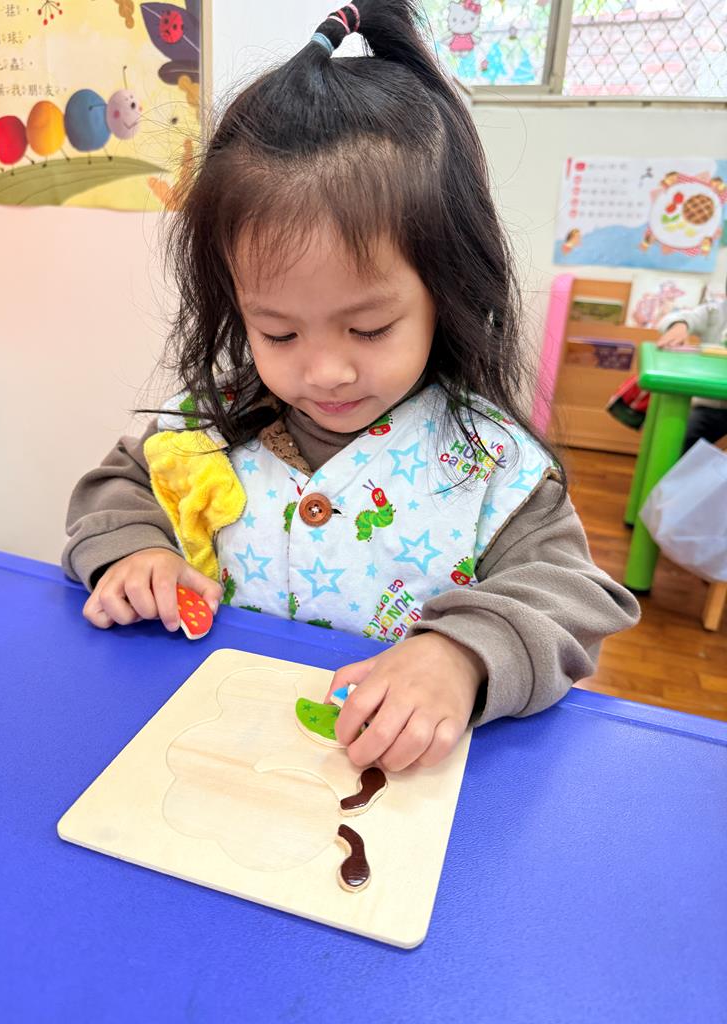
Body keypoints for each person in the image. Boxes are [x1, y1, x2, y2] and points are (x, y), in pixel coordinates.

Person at [63, 0, 638, 772]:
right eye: (279, 333)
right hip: (227, 759)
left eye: (368, 329)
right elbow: (119, 486)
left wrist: (463, 653)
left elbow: (571, 594)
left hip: (403, 784)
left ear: (447, 293)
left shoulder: (488, 464)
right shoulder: (210, 424)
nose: (325, 371)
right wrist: (134, 553)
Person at [657, 291, 727, 451]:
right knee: (679, 440)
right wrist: (680, 325)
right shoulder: (715, 311)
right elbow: (682, 317)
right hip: (712, 406)